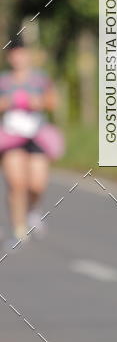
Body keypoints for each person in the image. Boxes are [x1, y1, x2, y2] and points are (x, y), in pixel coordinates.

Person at [0, 39, 61, 248]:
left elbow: (53, 102)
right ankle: (19, 229)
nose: (18, 58)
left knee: (36, 184)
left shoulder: (40, 79)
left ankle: (33, 211)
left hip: (36, 135)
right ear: (10, 57)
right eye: (14, 54)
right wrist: (8, 102)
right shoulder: (4, 81)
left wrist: (38, 102)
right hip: (10, 136)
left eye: (22, 54)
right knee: (16, 183)